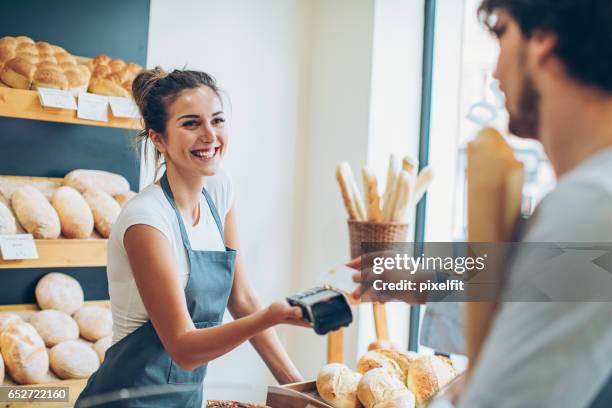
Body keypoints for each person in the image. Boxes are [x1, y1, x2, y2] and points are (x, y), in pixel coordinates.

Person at [354, 0, 612, 406]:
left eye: (501, 31)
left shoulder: (592, 205)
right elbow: (558, 273)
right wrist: (430, 278)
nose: (494, 72)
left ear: (543, 40)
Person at [76, 68, 306, 407]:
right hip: (127, 399)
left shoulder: (219, 190)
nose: (210, 135)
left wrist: (300, 388)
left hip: (185, 398)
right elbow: (183, 348)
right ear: (158, 138)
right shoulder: (146, 220)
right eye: (191, 123)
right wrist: (273, 314)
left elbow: (240, 298)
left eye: (217, 120)